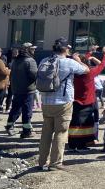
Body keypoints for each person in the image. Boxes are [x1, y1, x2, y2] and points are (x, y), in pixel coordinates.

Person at [37, 38, 90, 171]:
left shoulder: (44, 61)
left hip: (46, 101)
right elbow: (86, 70)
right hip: (63, 102)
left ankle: (42, 161)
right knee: (61, 132)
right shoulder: (69, 62)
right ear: (66, 49)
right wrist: (77, 59)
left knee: (46, 132)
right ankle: (55, 163)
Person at [68, 48, 105, 152]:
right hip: (87, 102)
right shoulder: (90, 73)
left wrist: (89, 52)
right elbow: (102, 65)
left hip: (75, 100)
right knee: (85, 124)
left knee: (75, 123)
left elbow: (83, 61)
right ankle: (81, 146)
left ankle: (72, 145)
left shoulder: (73, 72)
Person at [5, 44, 38, 138]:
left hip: (16, 89)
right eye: (32, 49)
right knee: (27, 110)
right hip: (27, 90)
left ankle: (9, 126)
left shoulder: (15, 60)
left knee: (15, 109)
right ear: (27, 50)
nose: (34, 51)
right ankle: (26, 131)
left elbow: (12, 75)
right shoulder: (30, 61)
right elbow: (34, 76)